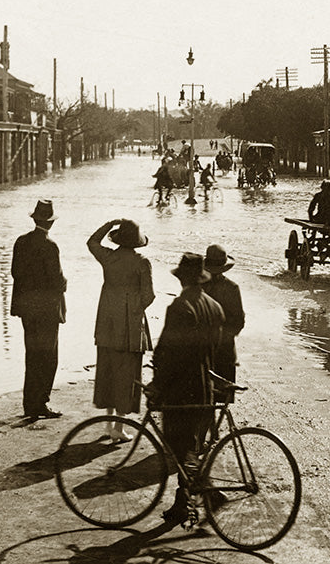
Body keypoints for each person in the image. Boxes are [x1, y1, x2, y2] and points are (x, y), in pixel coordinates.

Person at [148, 252, 225, 523]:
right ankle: (185, 503)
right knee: (189, 447)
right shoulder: (214, 307)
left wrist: (157, 385)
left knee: (178, 447)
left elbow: (168, 352)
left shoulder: (180, 307)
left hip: (181, 391)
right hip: (204, 387)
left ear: (182, 279)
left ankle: (209, 491)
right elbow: (215, 349)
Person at [87, 219, 155, 442]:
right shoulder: (142, 262)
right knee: (127, 374)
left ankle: (107, 425)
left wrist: (108, 224)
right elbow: (149, 296)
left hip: (106, 323)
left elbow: (92, 241)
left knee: (107, 371)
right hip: (130, 326)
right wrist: (134, 309)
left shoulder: (109, 257)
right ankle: (119, 426)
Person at [10, 199, 67, 420]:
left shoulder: (21, 242)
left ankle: (29, 404)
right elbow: (58, 279)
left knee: (31, 355)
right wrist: (65, 283)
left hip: (27, 308)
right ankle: (41, 403)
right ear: (50, 223)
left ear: (35, 219)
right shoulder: (50, 246)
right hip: (47, 310)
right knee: (48, 357)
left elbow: (16, 273)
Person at [201, 245, 245, 405]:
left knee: (202, 397)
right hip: (224, 350)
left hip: (201, 349)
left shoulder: (199, 287)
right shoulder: (232, 288)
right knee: (219, 398)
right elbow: (239, 322)